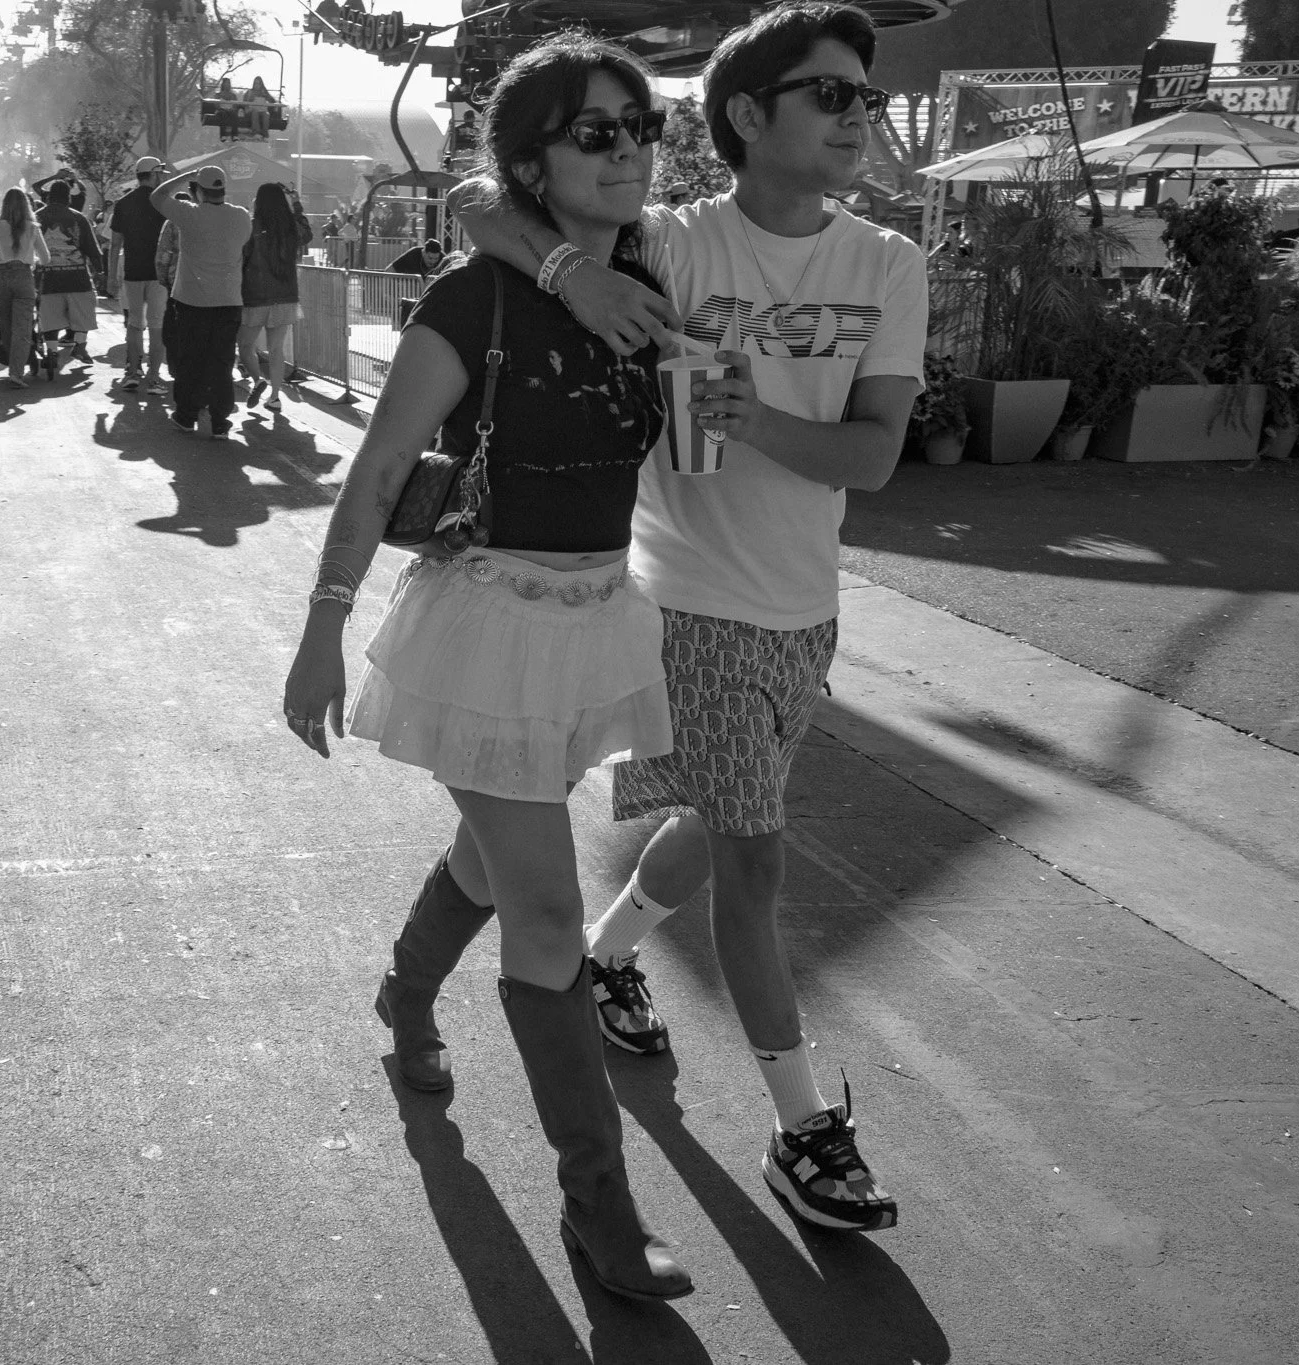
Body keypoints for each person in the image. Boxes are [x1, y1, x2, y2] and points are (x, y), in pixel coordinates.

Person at [455, 0, 922, 1236]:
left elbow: (871, 459)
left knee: (716, 832)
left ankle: (601, 950)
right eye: (828, 95)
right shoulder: (663, 238)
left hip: (804, 607)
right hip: (685, 600)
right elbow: (476, 205)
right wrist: (567, 273)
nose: (855, 118)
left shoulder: (885, 263)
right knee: (757, 855)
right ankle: (802, 1133)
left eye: (863, 97)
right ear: (746, 116)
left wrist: (750, 414)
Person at [282, 32, 691, 1305]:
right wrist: (320, 629)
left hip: (596, 619)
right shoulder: (473, 295)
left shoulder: (661, 267)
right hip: (483, 626)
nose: (627, 150)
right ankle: (602, 1219)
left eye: (641, 127)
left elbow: (489, 191)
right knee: (549, 906)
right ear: (534, 160)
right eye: (594, 133)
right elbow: (380, 466)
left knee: (490, 856)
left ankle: (404, 995)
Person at [151, 165, 249, 437]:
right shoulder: (241, 216)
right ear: (223, 189)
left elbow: (157, 197)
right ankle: (220, 421)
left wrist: (184, 177)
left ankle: (186, 415)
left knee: (190, 360)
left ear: (198, 191)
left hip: (191, 300)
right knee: (222, 362)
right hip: (229, 300)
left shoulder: (188, 214)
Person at [237, 181, 311, 412]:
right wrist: (296, 204)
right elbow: (307, 234)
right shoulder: (290, 228)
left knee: (245, 345)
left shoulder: (251, 227)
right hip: (285, 296)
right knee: (276, 349)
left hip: (255, 295)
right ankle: (276, 397)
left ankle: (258, 380)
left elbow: (241, 259)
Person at [109, 156, 172, 394]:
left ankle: (133, 373)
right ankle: (154, 378)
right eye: (160, 174)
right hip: (159, 275)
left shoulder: (123, 203)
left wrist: (110, 277)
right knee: (156, 327)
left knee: (135, 325)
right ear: (153, 174)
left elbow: (115, 245)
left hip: (132, 273)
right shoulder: (163, 202)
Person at [0, 186, 46, 388]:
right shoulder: (33, 228)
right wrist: (30, 259)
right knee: (23, 327)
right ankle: (16, 372)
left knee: (5, 324)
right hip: (24, 276)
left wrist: (1, 260)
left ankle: (9, 359)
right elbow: (46, 258)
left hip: (2, 276)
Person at [35, 179, 103, 371]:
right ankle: (80, 347)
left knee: (50, 317)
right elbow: (91, 247)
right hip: (77, 278)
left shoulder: (36, 218)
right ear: (68, 198)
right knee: (83, 314)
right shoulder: (79, 218)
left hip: (47, 279)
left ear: (48, 197)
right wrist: (100, 269)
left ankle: (52, 352)